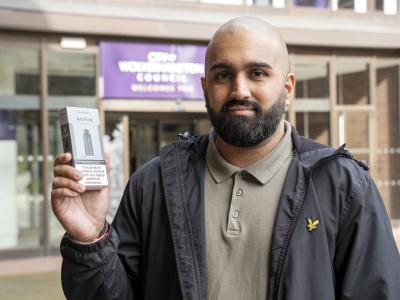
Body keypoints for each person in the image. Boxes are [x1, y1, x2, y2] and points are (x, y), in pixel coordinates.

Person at [52, 17, 400, 300]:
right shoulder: (154, 183)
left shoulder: (342, 185)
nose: (239, 90)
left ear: (288, 87)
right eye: (223, 75)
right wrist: (90, 239)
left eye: (258, 73)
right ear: (205, 87)